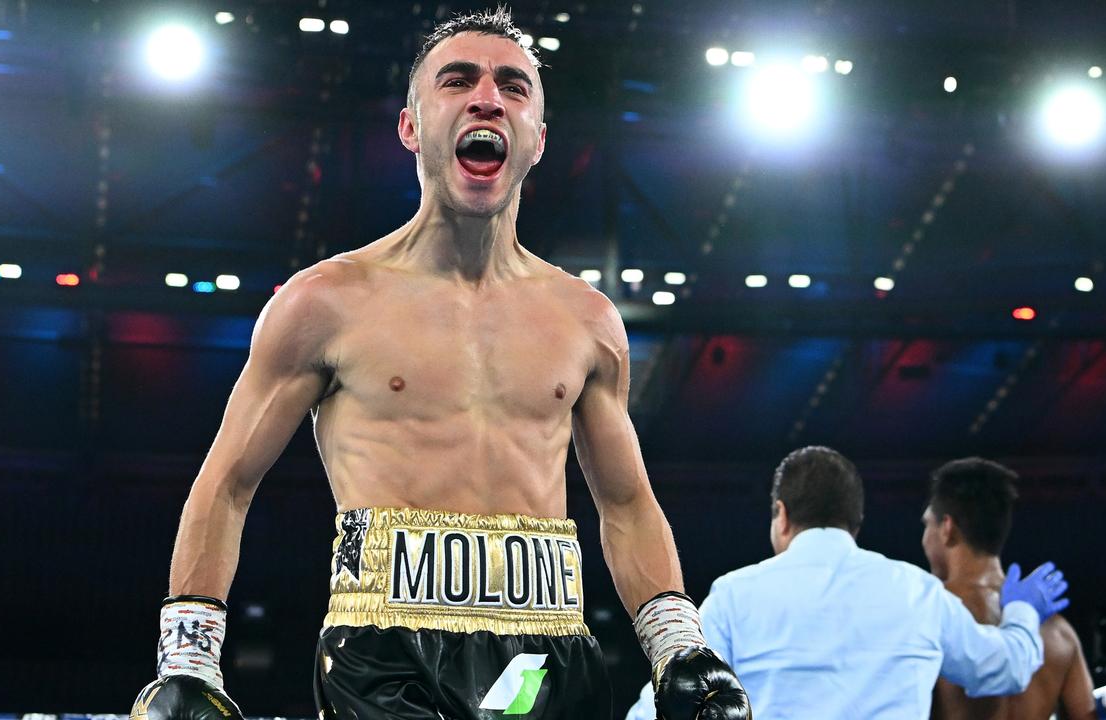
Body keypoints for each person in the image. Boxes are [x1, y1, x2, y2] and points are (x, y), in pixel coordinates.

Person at [128, 8, 749, 720]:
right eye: (459, 80)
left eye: (513, 86)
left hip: (539, 659)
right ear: (411, 128)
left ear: (537, 141)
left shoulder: (587, 321)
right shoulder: (327, 302)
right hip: (385, 655)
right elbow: (227, 483)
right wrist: (189, 660)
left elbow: (626, 502)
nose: (487, 97)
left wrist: (680, 647)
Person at [697, 446, 1070, 720]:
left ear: (782, 514)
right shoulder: (916, 591)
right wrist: (1023, 609)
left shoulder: (732, 596)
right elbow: (1007, 667)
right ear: (855, 523)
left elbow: (669, 699)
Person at [924, 457, 1098, 720]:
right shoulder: (1059, 632)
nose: (925, 537)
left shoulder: (930, 613)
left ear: (947, 528)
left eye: (927, 525)